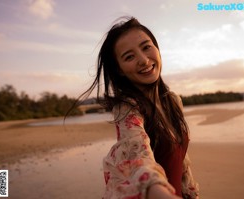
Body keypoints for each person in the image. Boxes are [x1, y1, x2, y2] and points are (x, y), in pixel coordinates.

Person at [76, 16, 199, 199]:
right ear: (119, 69)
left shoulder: (173, 101)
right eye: (129, 56)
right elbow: (139, 158)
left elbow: (182, 163)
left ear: (157, 48)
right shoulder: (127, 108)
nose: (143, 60)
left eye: (146, 47)